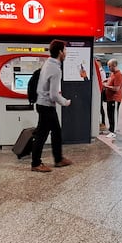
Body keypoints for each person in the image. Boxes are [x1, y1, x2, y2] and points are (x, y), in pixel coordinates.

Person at [31, 39, 73, 173]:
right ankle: (36, 163)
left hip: (43, 104)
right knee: (42, 135)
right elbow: (54, 95)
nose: (66, 53)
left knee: (56, 132)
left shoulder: (48, 63)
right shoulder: (55, 69)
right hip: (46, 106)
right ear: (60, 52)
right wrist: (65, 102)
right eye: (65, 50)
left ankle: (58, 159)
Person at [104, 58, 122, 138]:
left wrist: (106, 86)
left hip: (115, 98)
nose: (108, 67)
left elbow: (116, 88)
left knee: (113, 115)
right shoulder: (113, 74)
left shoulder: (118, 75)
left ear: (114, 65)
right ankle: (111, 129)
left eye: (109, 66)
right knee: (110, 114)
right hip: (109, 98)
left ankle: (113, 132)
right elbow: (110, 81)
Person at [96, 59, 108, 131]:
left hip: (100, 91)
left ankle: (103, 122)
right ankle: (100, 122)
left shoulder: (101, 71)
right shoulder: (99, 71)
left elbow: (103, 82)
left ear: (99, 64)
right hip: (99, 91)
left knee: (100, 107)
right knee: (99, 107)